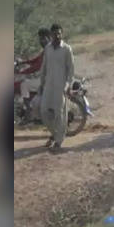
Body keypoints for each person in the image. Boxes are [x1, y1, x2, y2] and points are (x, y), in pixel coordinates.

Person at [38, 23, 75, 152]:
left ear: (62, 34)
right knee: (43, 111)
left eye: (59, 33)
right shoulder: (47, 48)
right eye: (55, 34)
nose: (57, 36)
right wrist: (41, 84)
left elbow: (71, 70)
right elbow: (44, 67)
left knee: (60, 114)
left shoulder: (67, 49)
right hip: (48, 85)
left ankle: (59, 140)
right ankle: (54, 133)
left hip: (61, 86)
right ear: (51, 35)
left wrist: (67, 85)